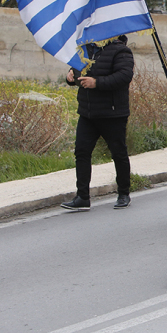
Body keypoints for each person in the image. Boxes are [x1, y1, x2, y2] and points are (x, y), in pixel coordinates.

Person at [61, 36, 134, 212]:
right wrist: (71, 75)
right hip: (87, 113)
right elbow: (79, 71)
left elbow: (124, 76)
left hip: (112, 113)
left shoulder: (120, 50)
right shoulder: (85, 50)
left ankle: (124, 193)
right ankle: (82, 197)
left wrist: (97, 83)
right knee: (82, 152)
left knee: (118, 153)